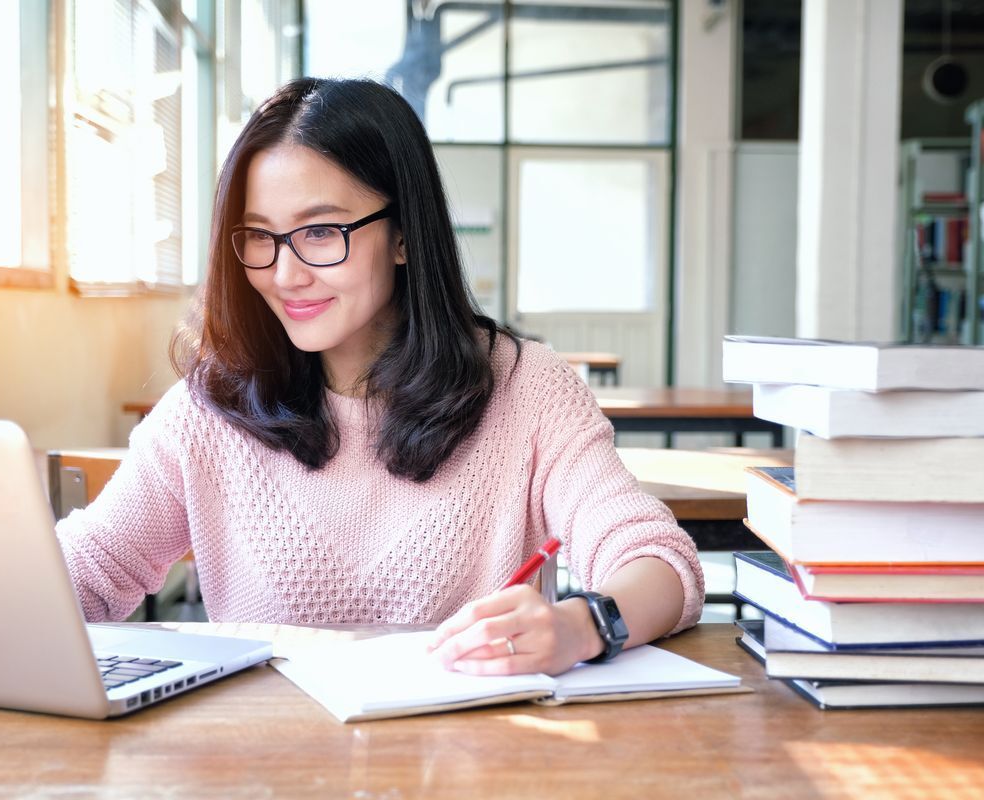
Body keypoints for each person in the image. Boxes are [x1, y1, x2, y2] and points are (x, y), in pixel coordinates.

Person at [55, 77, 703, 677]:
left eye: (319, 231)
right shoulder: (209, 407)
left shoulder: (526, 388)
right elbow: (88, 570)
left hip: (468, 762)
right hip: (266, 763)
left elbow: (657, 561)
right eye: (258, 236)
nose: (284, 274)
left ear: (402, 235)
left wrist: (584, 623)